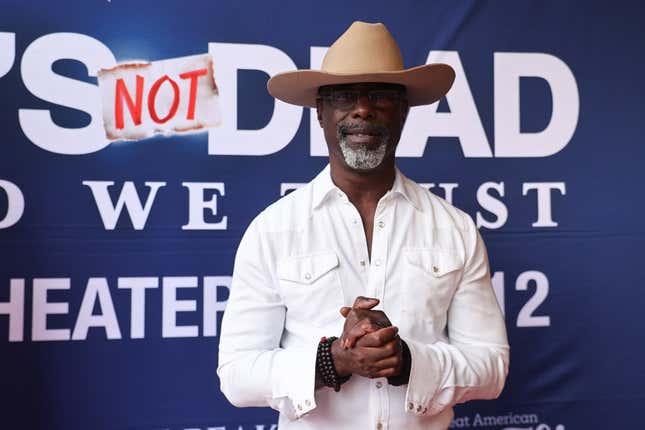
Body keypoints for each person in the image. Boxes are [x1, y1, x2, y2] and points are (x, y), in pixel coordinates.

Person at [217, 21, 509, 430]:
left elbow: (491, 367)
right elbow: (237, 376)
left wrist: (408, 361)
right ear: (320, 113)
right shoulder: (272, 230)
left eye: (380, 96)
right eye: (344, 97)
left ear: (404, 112)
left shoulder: (455, 229)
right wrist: (333, 360)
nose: (362, 109)